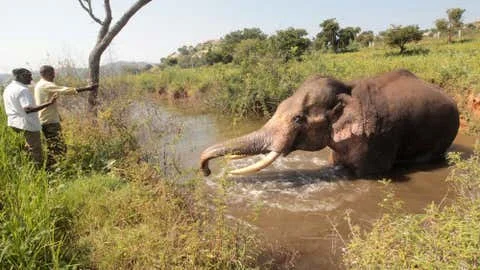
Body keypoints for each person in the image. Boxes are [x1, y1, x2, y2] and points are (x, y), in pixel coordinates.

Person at [34, 65, 97, 168]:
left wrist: (58, 116)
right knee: (58, 148)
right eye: (51, 73)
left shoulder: (40, 85)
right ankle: (54, 169)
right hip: (49, 122)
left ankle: (53, 168)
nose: (54, 75)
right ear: (44, 74)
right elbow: (64, 90)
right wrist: (88, 88)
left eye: (53, 72)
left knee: (54, 147)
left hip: (48, 119)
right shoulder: (45, 85)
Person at [3, 68, 57, 167]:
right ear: (20, 76)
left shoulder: (9, 88)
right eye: (29, 75)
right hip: (27, 124)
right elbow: (28, 109)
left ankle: (26, 168)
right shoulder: (22, 90)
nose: (31, 78)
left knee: (27, 149)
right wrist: (49, 103)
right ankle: (38, 172)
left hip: (14, 123)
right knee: (35, 150)